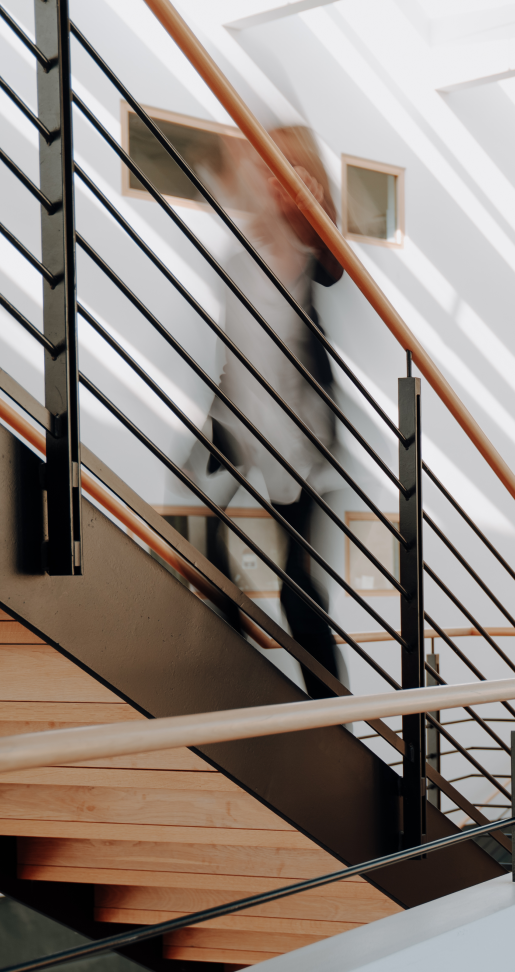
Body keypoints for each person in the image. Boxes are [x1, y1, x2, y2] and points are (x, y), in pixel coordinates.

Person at [180, 125, 344, 697]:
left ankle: (330, 708)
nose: (271, 180)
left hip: (300, 425)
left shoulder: (304, 251)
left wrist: (312, 202)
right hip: (239, 412)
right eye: (267, 169)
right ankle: (233, 657)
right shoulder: (241, 251)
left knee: (295, 582)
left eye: (285, 171)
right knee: (192, 521)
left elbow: (334, 264)